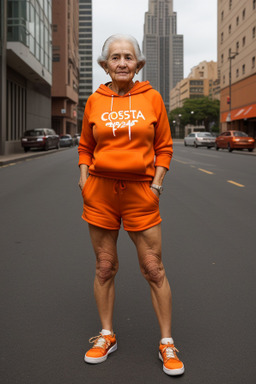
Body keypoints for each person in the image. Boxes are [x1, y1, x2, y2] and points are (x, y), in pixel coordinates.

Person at [78, 34, 184, 376]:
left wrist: (156, 185)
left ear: (137, 64)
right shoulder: (95, 100)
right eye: (114, 57)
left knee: (154, 269)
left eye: (128, 57)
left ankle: (167, 342)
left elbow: (165, 147)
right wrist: (84, 178)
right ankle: (107, 335)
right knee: (105, 266)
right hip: (100, 193)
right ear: (105, 64)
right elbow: (85, 145)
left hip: (141, 193)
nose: (121, 62)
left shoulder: (152, 98)